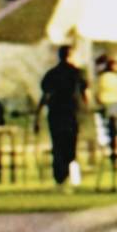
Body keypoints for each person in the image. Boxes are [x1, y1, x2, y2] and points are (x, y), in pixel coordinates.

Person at [40, 42, 88, 188]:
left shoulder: (52, 74)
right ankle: (70, 173)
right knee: (70, 144)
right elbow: (84, 93)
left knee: (57, 145)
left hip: (56, 113)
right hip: (72, 113)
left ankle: (59, 176)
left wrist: (38, 113)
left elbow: (45, 94)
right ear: (70, 55)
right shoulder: (77, 73)